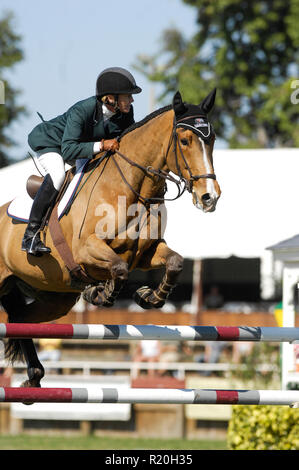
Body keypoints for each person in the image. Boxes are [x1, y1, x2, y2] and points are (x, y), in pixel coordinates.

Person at [21, 67, 142, 256]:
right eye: (128, 96)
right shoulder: (83, 110)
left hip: (80, 148)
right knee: (58, 175)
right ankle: (30, 236)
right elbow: (69, 149)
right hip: (52, 144)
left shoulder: (126, 112)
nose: (132, 100)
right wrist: (101, 145)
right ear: (110, 98)